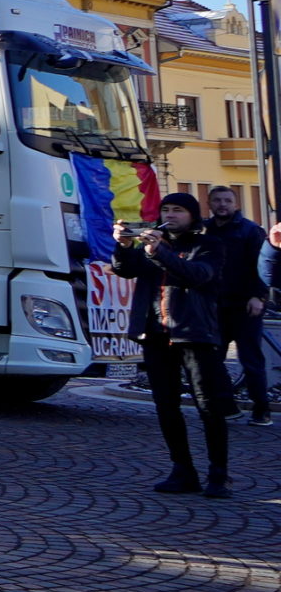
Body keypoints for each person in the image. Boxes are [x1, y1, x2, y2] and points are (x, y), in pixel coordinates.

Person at [112, 193, 233, 498]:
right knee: (166, 406)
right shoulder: (154, 242)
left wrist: (158, 252)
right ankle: (182, 469)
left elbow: (197, 276)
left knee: (208, 406)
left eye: (178, 210)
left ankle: (219, 474)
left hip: (194, 334)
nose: (171, 215)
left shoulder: (209, 244)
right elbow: (126, 269)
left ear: (192, 215)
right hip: (155, 334)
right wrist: (123, 246)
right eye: (166, 210)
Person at [202, 186, 273, 427]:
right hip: (215, 307)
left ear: (236, 204)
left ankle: (261, 409)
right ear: (209, 204)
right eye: (217, 200)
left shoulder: (250, 231)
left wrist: (259, 296)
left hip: (245, 306)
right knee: (212, 360)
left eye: (227, 200)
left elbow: (263, 266)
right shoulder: (204, 230)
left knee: (251, 361)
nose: (222, 204)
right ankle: (225, 406)